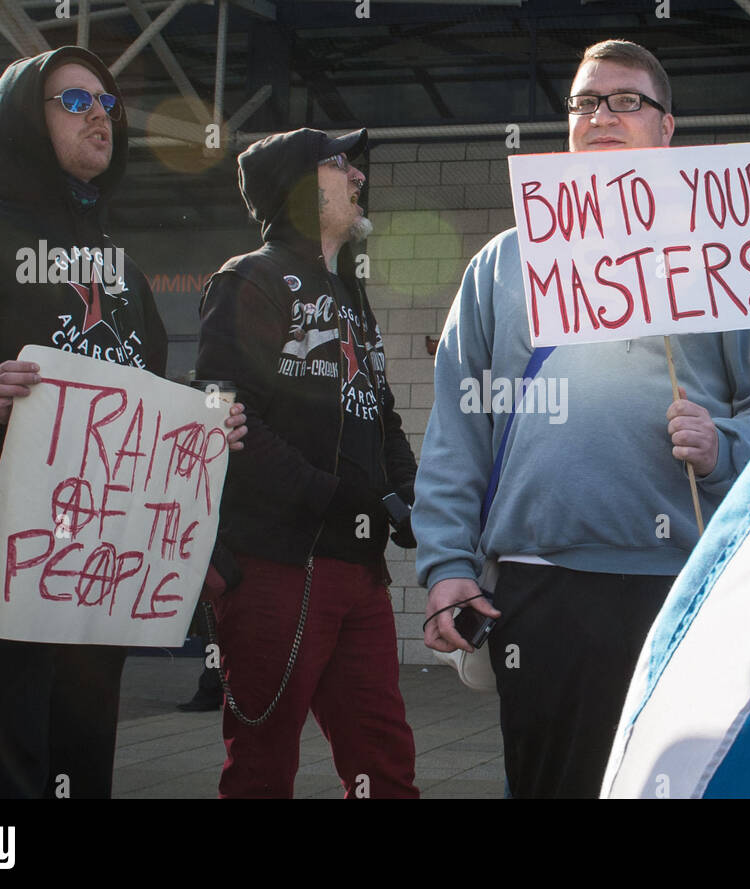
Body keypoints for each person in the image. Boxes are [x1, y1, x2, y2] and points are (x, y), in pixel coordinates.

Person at [413, 39, 750, 798]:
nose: (603, 115)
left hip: (680, 582)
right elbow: (459, 428)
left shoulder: (720, 248)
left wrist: (723, 445)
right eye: (587, 101)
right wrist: (447, 565)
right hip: (537, 590)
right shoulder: (501, 264)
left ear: (667, 130)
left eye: (627, 100)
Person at [0, 47, 246, 798]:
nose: (99, 113)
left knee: (80, 765)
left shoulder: (125, 272)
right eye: (74, 101)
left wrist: (198, 433)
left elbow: (136, 410)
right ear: (19, 122)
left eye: (107, 102)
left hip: (94, 574)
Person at [196, 128, 420, 798]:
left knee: (385, 763)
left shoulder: (352, 294)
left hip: (359, 570)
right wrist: (344, 498)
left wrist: (408, 492)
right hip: (277, 565)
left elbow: (380, 413)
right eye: (339, 164)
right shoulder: (249, 279)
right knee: (263, 768)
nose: (356, 177)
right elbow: (233, 424)